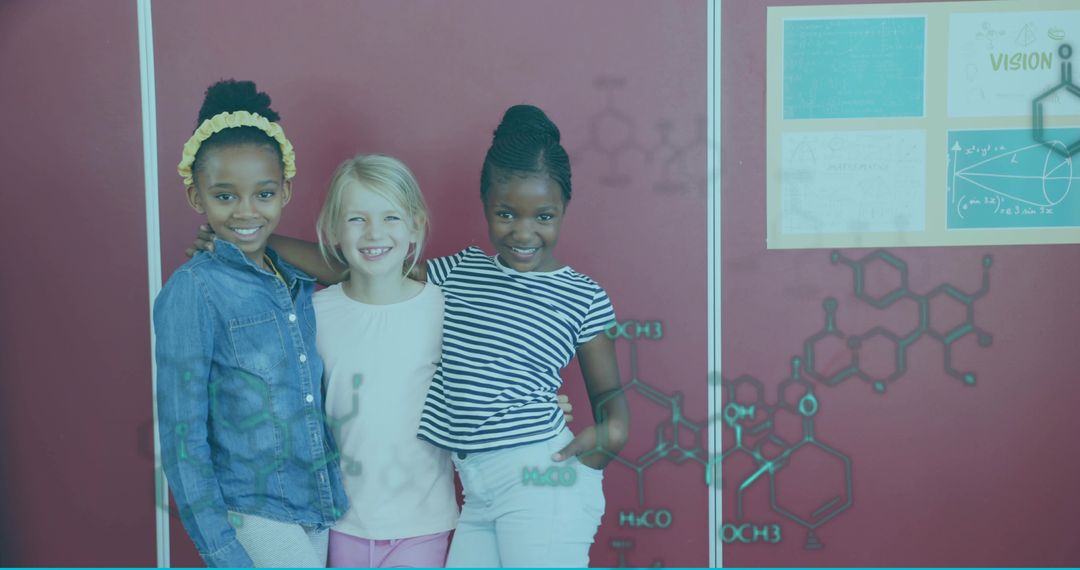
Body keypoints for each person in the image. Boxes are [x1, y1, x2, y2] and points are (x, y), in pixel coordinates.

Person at [191, 104, 626, 567]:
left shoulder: (551, 295)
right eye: (506, 213)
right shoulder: (458, 275)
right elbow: (362, 270)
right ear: (485, 206)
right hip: (455, 499)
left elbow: (603, 395)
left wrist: (606, 437)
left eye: (543, 216)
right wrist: (252, 238)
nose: (523, 231)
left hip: (507, 493)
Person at [155, 79, 347, 568]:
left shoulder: (293, 278)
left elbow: (352, 268)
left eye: (262, 193)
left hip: (316, 502)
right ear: (196, 196)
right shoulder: (194, 290)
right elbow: (183, 437)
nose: (245, 211)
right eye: (224, 196)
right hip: (252, 509)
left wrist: (262, 237)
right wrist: (222, 549)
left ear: (284, 190)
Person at [311, 154, 458, 567]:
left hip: (423, 525)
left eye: (391, 217)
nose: (374, 232)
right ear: (333, 229)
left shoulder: (443, 310)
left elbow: (483, 384)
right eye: (357, 219)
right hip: (342, 525)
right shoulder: (313, 314)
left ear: (415, 225)